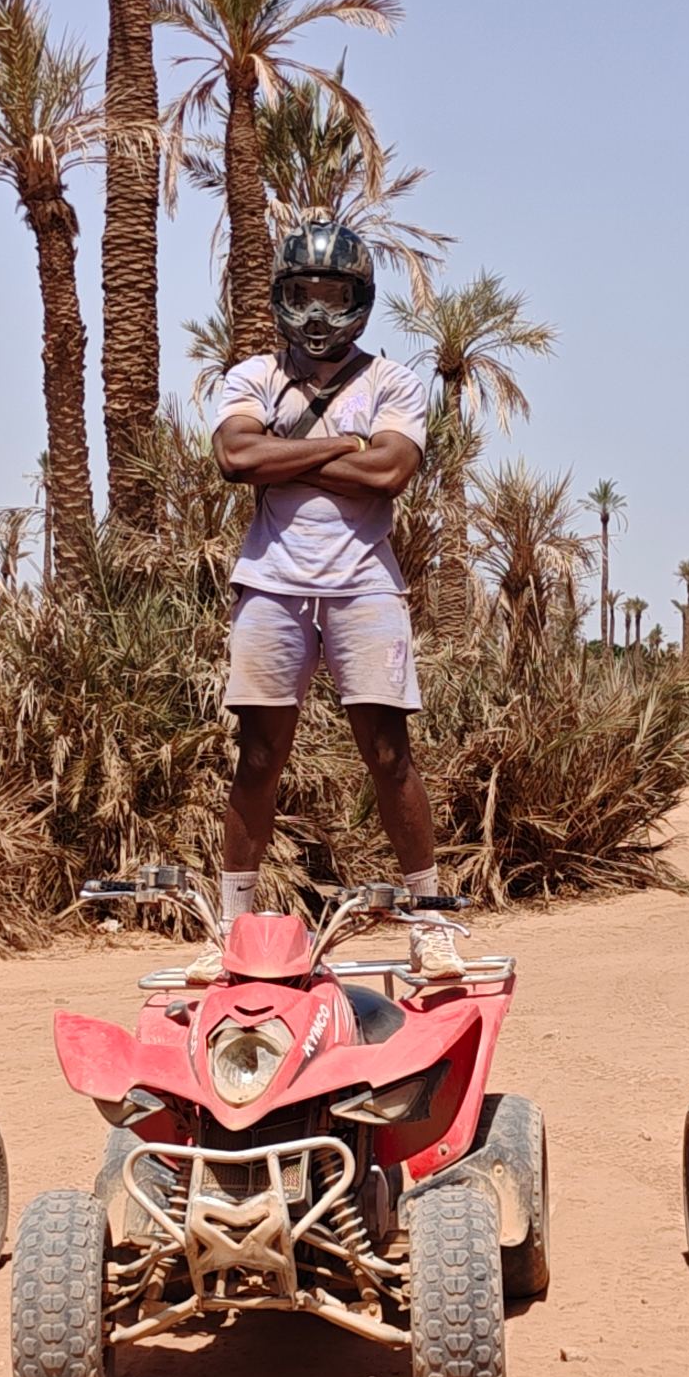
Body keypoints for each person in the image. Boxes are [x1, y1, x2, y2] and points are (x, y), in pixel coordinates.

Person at [211, 220, 450, 934]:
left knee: (387, 752)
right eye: (302, 294)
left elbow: (390, 473)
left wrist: (285, 450)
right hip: (271, 582)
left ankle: (429, 921)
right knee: (257, 757)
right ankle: (234, 925)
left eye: (333, 295)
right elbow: (233, 458)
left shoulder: (393, 380)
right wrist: (347, 443)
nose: (317, 313)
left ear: (360, 299)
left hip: (364, 586)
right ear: (282, 296)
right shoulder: (252, 375)